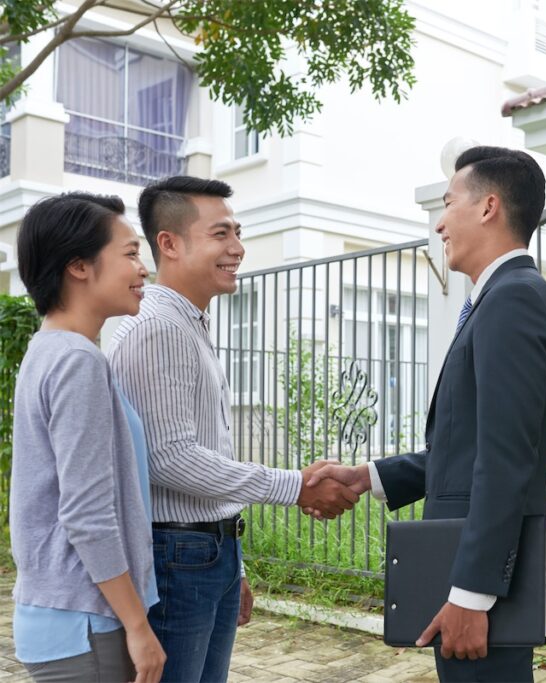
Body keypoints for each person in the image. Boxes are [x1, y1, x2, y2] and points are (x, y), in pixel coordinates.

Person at [307, 146, 546, 681]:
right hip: (480, 574)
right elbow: (466, 448)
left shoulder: (512, 300)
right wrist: (368, 476)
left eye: (448, 203)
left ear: (488, 207)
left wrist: (473, 595)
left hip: (486, 583)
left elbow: (505, 463)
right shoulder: (497, 297)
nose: (440, 221)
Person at [108, 176, 356, 682]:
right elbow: (169, 457)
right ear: (170, 243)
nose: (238, 248)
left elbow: (201, 448)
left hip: (208, 552)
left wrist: (234, 565)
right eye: (221, 234)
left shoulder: (188, 324)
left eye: (236, 233)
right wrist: (294, 485)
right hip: (179, 558)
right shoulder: (157, 329)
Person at [11, 192, 166, 682]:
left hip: (66, 616)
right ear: (79, 266)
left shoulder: (49, 349)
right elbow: (86, 513)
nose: (143, 269)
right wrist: (138, 626)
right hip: (86, 622)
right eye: (130, 253)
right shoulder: (77, 361)